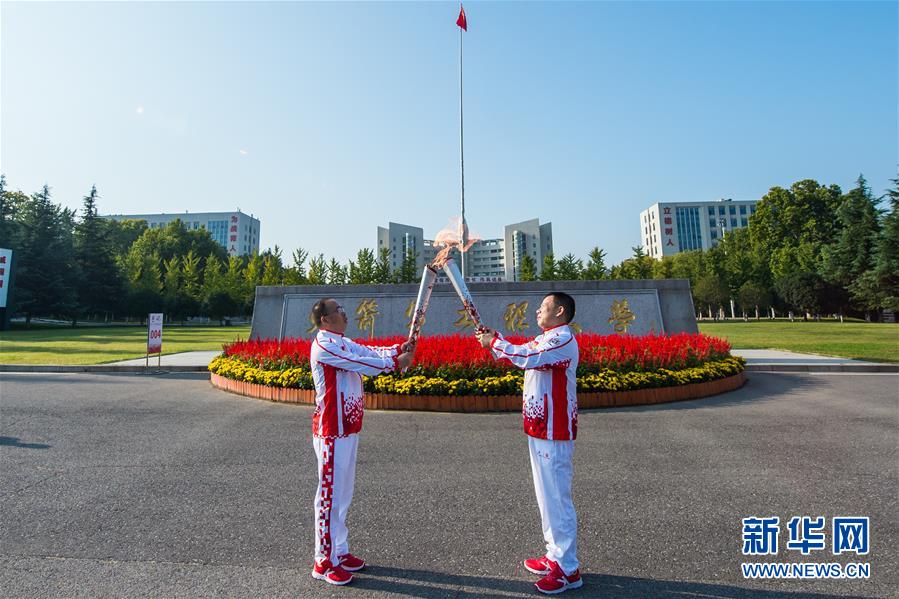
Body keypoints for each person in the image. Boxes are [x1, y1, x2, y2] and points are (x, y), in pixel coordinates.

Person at [476, 292, 583, 595]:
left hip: (555, 428)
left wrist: (494, 344)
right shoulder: (545, 338)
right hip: (539, 426)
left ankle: (568, 569)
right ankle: (554, 555)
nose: (537, 311)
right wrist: (496, 339)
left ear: (559, 311)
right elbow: (523, 351)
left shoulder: (562, 338)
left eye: (543, 307)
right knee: (546, 497)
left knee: (557, 498)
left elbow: (527, 358)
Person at [309, 298, 415, 586]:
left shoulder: (342, 342)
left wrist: (397, 349)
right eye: (338, 310)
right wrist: (394, 364)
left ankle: (339, 550)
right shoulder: (324, 345)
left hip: (348, 427)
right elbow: (363, 363)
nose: (344, 313)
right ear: (325, 320)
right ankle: (323, 561)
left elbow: (368, 352)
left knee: (343, 494)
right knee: (329, 497)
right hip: (331, 430)